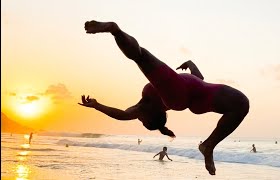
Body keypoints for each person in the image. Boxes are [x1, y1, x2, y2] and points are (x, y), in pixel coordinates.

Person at [79, 20, 250, 175]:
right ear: (151, 117)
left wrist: (190, 63)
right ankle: (114, 30)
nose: (139, 119)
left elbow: (199, 77)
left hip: (200, 94)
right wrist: (97, 105)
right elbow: (121, 115)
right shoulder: (145, 107)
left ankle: (208, 145)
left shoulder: (146, 105)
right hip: (182, 94)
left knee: (241, 104)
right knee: (140, 57)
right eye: (142, 122)